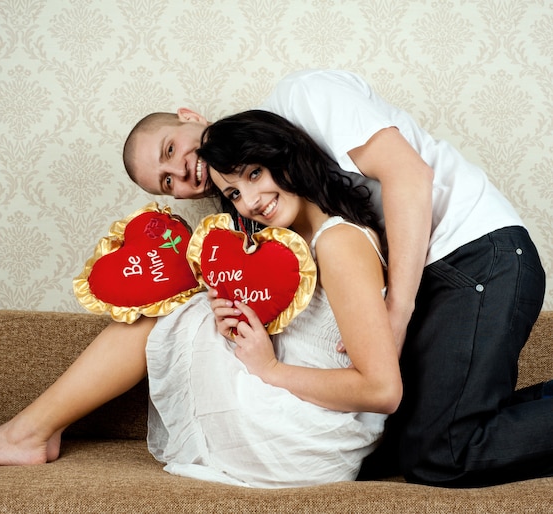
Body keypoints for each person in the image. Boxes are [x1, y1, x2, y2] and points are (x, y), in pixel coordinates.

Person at [122, 69, 551, 487]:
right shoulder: (269, 222)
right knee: (410, 442)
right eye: (166, 182)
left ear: (191, 117)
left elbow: (409, 173)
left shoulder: (304, 96)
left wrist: (395, 316)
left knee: (444, 453)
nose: (183, 171)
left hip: (473, 252)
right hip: (422, 272)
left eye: (170, 150)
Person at [0, 109, 401, 488]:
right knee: (194, 302)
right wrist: (235, 328)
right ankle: (31, 431)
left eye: (256, 173)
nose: (252, 199)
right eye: (234, 192)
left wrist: (269, 368)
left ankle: (29, 432)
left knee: (176, 304)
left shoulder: (337, 243)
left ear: (286, 153)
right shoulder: (284, 240)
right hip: (305, 427)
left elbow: (382, 391)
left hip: (307, 443)